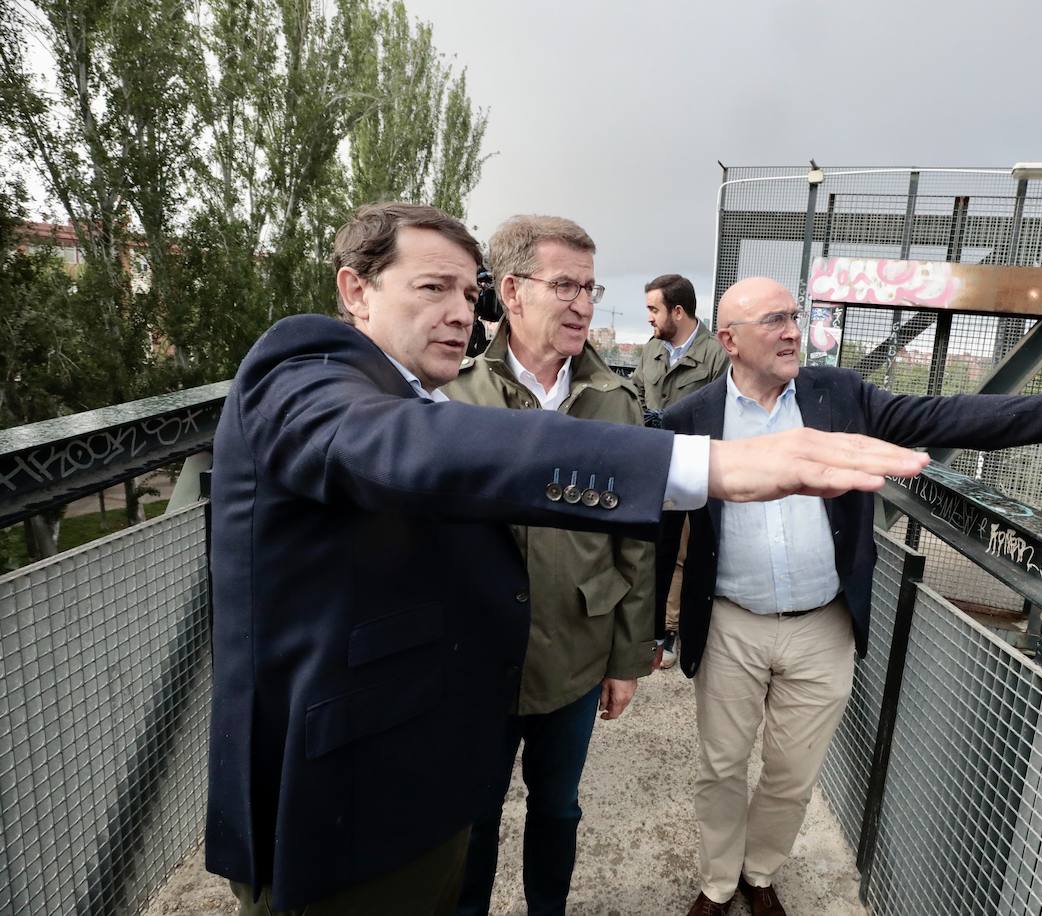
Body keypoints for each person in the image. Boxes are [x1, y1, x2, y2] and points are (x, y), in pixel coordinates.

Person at [205, 204, 928, 916]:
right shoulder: (303, 368)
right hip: (339, 815)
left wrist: (625, 648)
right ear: (355, 290)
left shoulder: (449, 391)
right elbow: (422, 449)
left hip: (445, 756)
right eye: (432, 288)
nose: (461, 311)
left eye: (467, 292)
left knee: (548, 812)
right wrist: (702, 465)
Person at [660, 276, 1042, 916]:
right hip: (733, 623)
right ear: (729, 340)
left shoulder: (839, 395)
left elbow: (953, 415)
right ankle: (716, 884)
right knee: (722, 768)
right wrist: (651, 631)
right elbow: (658, 533)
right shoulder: (691, 419)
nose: (792, 330)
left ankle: (760, 875)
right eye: (773, 321)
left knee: (792, 772)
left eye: (795, 315)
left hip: (822, 628)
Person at [442, 215, 654, 916]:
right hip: (472, 655)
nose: (585, 305)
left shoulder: (615, 402)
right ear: (512, 290)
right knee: (468, 816)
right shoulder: (452, 394)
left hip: (576, 649)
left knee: (557, 807)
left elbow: (636, 541)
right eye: (565, 285)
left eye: (590, 288)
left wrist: (626, 658)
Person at [632, 274, 729, 668]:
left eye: (654, 310)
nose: (650, 319)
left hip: (698, 467)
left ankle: (679, 632)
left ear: (678, 310)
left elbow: (723, 409)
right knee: (656, 550)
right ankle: (653, 633)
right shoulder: (651, 350)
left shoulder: (715, 355)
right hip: (657, 467)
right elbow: (637, 393)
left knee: (692, 555)